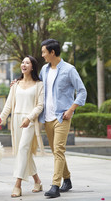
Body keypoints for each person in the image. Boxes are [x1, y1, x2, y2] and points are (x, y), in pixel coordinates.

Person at [39, 39, 87, 198]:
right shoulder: (44, 70)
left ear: (52, 52)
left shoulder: (69, 69)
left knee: (58, 150)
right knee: (55, 151)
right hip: (47, 117)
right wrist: (17, 82)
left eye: (44, 52)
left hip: (62, 116)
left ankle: (55, 186)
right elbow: (37, 87)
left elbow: (82, 91)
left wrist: (71, 109)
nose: (42, 55)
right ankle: (67, 179)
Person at [0, 55, 44, 198]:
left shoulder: (39, 85)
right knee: (25, 152)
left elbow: (40, 105)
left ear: (32, 66)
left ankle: (17, 184)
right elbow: (8, 105)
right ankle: (37, 181)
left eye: (27, 63)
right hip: (16, 121)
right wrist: (0, 119)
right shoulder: (15, 85)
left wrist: (29, 118)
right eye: (22, 62)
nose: (24, 65)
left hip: (30, 121)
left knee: (22, 150)